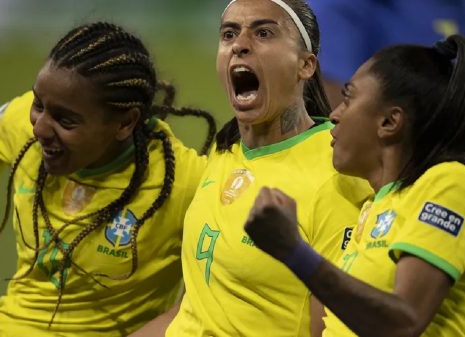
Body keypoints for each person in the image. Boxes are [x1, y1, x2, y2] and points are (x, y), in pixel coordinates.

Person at [0, 21, 216, 336]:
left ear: (126, 123)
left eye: (65, 120)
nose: (41, 128)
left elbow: (215, 296)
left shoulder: (184, 182)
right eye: (39, 105)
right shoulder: (27, 126)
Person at [130, 0, 372, 336]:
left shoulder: (337, 174)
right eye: (229, 34)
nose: (240, 44)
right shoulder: (225, 153)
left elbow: (332, 328)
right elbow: (197, 309)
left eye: (264, 33)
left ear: (306, 65)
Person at [245, 34, 465, 337]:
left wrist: (294, 251)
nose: (334, 114)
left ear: (389, 122)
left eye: (349, 98)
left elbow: (403, 322)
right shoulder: (374, 206)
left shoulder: (451, 184)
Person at [307, 0, 465, 298]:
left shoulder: (463, 11)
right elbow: (331, 107)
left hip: (411, 183)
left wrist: (298, 258)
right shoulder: (343, 7)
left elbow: (404, 321)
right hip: (360, 178)